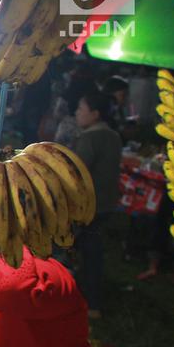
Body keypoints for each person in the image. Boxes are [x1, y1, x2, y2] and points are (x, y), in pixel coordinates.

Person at [69, 89, 123, 318]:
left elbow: (75, 173)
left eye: (81, 109)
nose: (77, 113)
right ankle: (88, 296)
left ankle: (89, 303)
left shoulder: (89, 138)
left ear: (95, 114)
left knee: (87, 252)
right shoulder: (114, 136)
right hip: (108, 204)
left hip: (89, 206)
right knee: (93, 251)